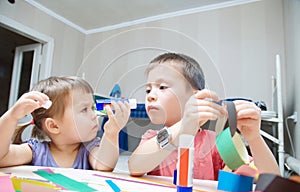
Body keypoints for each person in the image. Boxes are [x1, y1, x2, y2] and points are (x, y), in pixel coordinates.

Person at [128, 52, 280, 180]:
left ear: (195, 97)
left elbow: (271, 182)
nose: (150, 96)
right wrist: (182, 127)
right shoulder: (152, 137)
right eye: (148, 90)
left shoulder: (214, 142)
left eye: (162, 87)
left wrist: (254, 139)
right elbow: (135, 167)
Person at [0, 76, 130, 171]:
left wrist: (112, 133)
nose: (94, 115)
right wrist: (11, 117)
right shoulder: (36, 151)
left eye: (93, 108)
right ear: (54, 126)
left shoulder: (89, 148)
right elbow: (2, 157)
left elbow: (104, 165)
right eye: (84, 109)